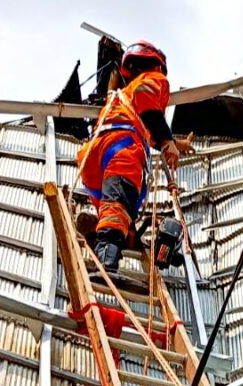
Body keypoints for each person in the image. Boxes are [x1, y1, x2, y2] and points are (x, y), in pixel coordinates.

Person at [76, 40, 194, 273]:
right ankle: (107, 262)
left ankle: (109, 235)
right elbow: (148, 105)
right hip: (121, 152)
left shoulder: (121, 98)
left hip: (95, 158)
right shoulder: (152, 81)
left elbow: (147, 131)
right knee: (117, 208)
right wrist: (168, 142)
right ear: (156, 65)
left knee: (117, 208)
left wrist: (174, 143)